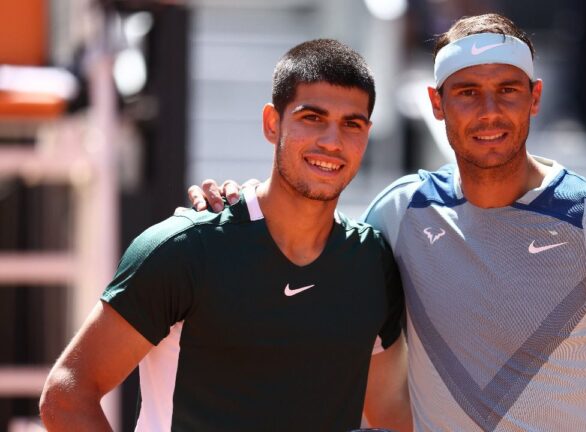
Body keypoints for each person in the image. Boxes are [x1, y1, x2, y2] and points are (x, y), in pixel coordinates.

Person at [189, 13, 586, 432]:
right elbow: (306, 247)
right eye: (467, 92)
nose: (489, 111)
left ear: (535, 98)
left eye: (507, 90)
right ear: (436, 103)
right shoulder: (399, 213)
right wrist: (239, 206)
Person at [39, 39, 411, 432]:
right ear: (272, 123)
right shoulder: (184, 250)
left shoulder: (371, 262)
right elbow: (67, 396)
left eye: (351, 124)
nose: (332, 142)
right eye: (312, 117)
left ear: (367, 134)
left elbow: (392, 413)